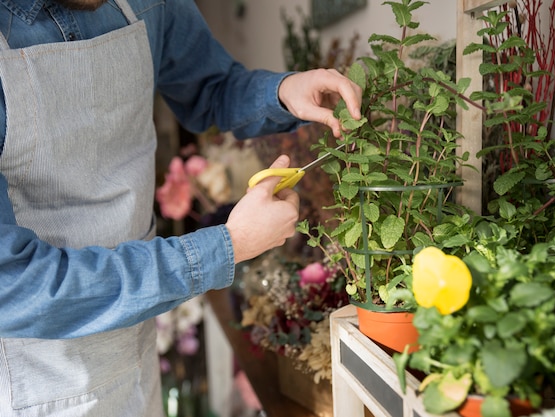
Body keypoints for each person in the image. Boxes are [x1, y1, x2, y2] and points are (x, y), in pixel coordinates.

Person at [0, 0, 362, 415]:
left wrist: (282, 91)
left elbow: (211, 87)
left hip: (136, 354)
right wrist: (227, 246)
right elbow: (13, 286)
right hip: (33, 380)